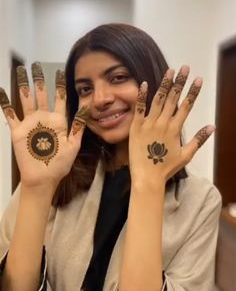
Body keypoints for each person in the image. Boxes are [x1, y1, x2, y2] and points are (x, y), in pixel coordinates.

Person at [0, 23, 221, 291]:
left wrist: (148, 184)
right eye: (84, 89)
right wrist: (36, 189)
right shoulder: (54, 176)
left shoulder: (199, 201)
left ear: (150, 77)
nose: (100, 99)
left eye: (117, 78)